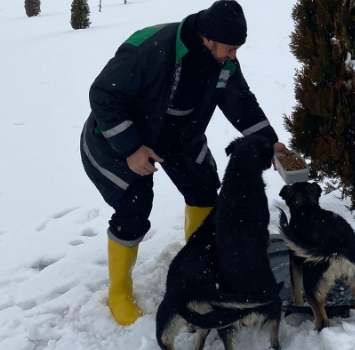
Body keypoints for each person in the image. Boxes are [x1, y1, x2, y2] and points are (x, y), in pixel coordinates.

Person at [80, 0, 292, 325]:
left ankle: (201, 262)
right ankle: (118, 291)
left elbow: (241, 103)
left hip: (179, 135)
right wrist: (131, 147)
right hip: (122, 135)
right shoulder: (151, 47)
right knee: (133, 210)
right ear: (208, 38)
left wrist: (269, 141)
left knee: (205, 191)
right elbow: (103, 94)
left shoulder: (222, 62)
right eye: (230, 48)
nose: (234, 56)